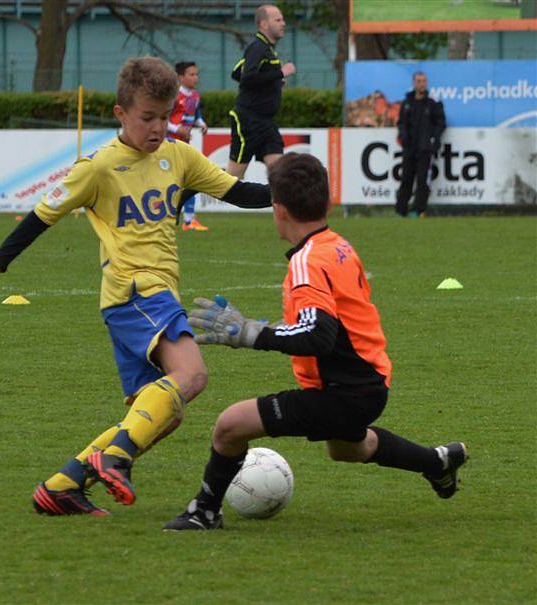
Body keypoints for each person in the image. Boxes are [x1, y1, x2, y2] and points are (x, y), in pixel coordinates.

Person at [0, 56, 271, 517]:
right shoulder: (99, 166)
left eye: (165, 116)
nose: (158, 127)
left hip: (145, 299)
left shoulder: (178, 156)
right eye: (147, 117)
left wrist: (288, 190)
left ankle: (62, 486)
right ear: (121, 114)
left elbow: (237, 192)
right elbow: (41, 218)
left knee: (164, 415)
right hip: (135, 292)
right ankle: (116, 456)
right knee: (193, 375)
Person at [163, 153, 467, 531]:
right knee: (348, 448)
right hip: (367, 382)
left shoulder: (307, 262)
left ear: (278, 209)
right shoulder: (337, 244)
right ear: (327, 202)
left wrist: (251, 334)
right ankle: (437, 462)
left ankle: (204, 511)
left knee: (229, 426)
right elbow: (331, 325)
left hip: (342, 392)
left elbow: (317, 335)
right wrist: (263, 327)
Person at [227, 4, 296, 179]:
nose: (283, 23)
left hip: (266, 122)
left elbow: (237, 73)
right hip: (249, 120)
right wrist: (281, 72)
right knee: (231, 180)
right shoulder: (257, 48)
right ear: (264, 24)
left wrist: (274, 82)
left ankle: (283, 206)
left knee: (280, 175)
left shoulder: (267, 49)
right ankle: (190, 189)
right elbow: (247, 78)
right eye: (278, 20)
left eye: (283, 19)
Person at [396, 71, 445, 217]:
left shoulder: (433, 103)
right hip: (409, 148)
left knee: (423, 180)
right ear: (413, 83)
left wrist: (434, 139)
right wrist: (403, 135)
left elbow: (440, 123)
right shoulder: (407, 103)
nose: (421, 83)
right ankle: (401, 210)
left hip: (425, 148)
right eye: (418, 81)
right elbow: (401, 123)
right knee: (406, 179)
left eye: (423, 81)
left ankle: (418, 210)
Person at [168, 60, 210, 232]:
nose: (196, 78)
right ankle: (182, 218)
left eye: (196, 74)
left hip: (185, 143)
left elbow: (196, 115)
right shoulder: (174, 97)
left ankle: (189, 219)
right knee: (177, 180)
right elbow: (163, 119)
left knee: (190, 177)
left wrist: (202, 123)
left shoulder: (195, 96)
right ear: (180, 77)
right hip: (171, 142)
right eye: (191, 74)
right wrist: (177, 129)